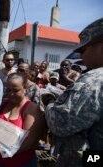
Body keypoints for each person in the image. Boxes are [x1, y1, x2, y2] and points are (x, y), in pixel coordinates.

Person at [45, 17, 103, 167]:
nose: (81, 56)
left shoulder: (94, 80)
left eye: (83, 50)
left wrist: (50, 104)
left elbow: (61, 123)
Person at [0, 73, 46, 167]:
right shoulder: (3, 103)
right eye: (8, 89)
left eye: (15, 90)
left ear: (25, 88)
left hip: (21, 163)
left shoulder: (31, 109)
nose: (11, 94)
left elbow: (28, 142)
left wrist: (3, 152)